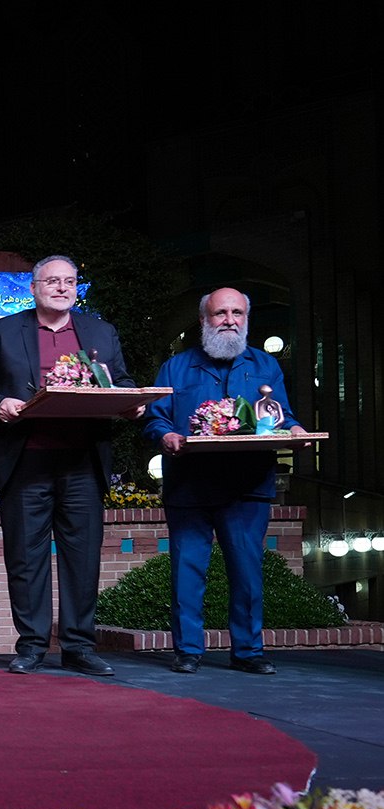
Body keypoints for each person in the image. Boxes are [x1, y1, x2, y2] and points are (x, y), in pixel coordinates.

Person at [0, 255, 138, 676]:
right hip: (25, 461)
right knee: (26, 559)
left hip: (82, 463)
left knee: (83, 558)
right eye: (52, 281)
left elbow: (122, 382)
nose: (61, 288)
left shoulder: (100, 331)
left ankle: (79, 646)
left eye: (69, 281)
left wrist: (131, 402)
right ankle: (32, 645)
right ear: (34, 287)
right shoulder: (3, 331)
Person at [144, 287, 307, 675]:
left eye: (237, 313)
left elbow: (280, 415)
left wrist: (295, 428)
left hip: (247, 486)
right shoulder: (176, 367)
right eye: (220, 313)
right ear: (204, 320)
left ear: (246, 319)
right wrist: (166, 436)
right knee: (187, 572)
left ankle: (248, 651)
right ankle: (187, 651)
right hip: (190, 486)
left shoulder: (266, 365)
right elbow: (155, 419)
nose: (229, 320)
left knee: (247, 573)